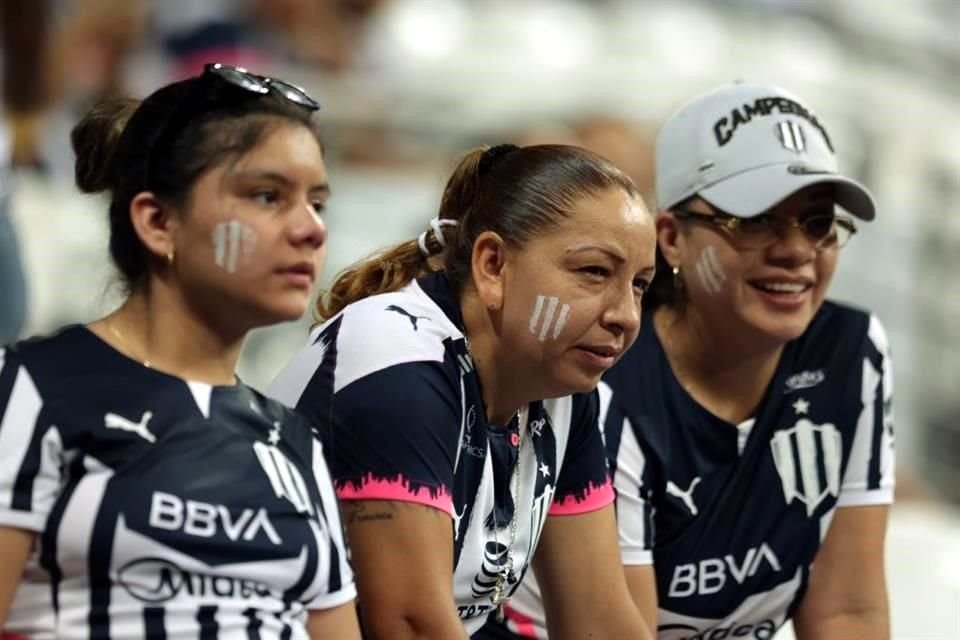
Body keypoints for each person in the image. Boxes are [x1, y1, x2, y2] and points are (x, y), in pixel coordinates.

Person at [481, 82, 896, 640]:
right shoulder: (603, 382)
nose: (797, 251)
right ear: (671, 238)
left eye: (819, 224)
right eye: (757, 220)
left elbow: (848, 613)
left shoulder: (851, 352)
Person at [0, 63, 361, 639]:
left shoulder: (294, 443)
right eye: (267, 196)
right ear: (158, 222)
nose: (311, 229)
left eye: (317, 201)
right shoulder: (28, 389)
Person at [268, 143, 659, 639]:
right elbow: (410, 626)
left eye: (641, 284)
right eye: (594, 272)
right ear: (493, 265)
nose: (624, 315)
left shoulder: (562, 385)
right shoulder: (398, 361)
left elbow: (600, 623)